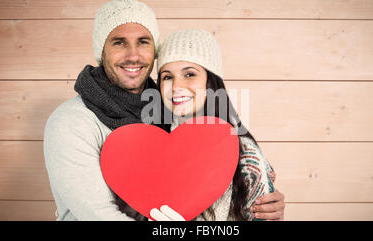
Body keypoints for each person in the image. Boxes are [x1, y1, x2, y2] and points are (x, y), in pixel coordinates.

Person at [44, 0, 284, 221]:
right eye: (119, 42)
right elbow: (100, 216)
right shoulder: (71, 122)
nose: (133, 55)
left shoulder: (169, 114)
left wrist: (263, 201)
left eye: (143, 41)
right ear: (102, 50)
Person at [148, 29, 280, 221]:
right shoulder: (152, 144)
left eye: (189, 74)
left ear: (211, 81)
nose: (176, 86)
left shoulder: (245, 154)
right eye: (167, 77)